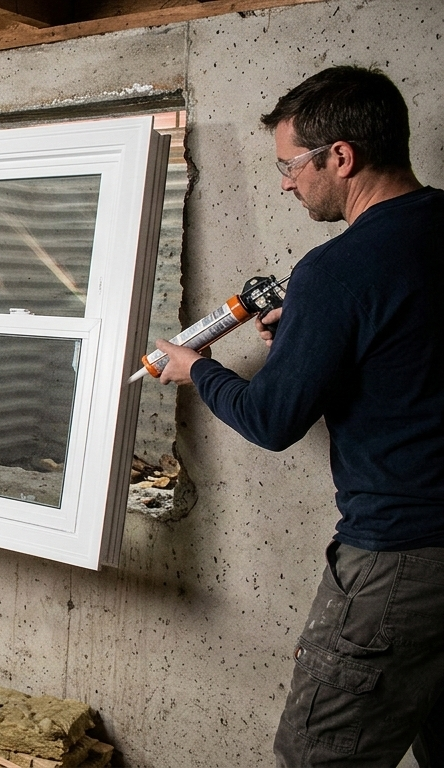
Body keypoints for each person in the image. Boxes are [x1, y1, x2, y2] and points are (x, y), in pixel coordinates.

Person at [154, 66, 444, 768]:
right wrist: (310, 341)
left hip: (400, 557)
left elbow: (273, 419)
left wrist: (198, 369)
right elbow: (410, 359)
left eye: (290, 165)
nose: (285, 183)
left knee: (321, 754)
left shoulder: (337, 268)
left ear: (339, 156)